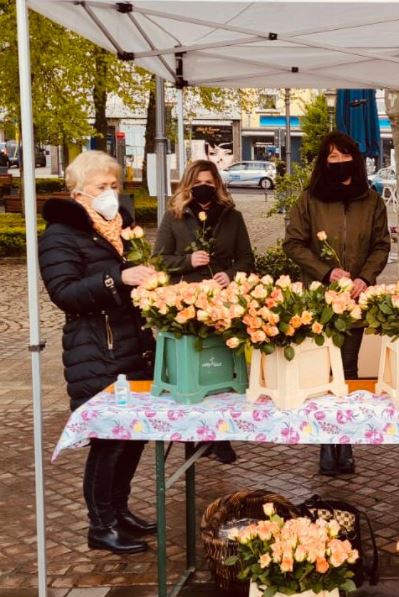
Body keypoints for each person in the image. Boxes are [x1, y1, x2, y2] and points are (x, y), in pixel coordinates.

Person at [38, 150, 158, 554]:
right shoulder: (59, 234)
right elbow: (65, 293)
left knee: (133, 436)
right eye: (100, 187)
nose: (110, 194)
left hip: (135, 347)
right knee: (109, 440)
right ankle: (100, 524)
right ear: (78, 193)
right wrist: (116, 278)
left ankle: (119, 510)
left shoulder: (121, 226)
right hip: (97, 351)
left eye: (114, 186)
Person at [284, 131, 391, 476]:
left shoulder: (372, 201)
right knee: (321, 374)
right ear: (323, 162)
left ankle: (344, 442)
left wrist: (365, 278)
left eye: (345, 156)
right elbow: (294, 244)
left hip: (354, 303)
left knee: (347, 370)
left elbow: (381, 245)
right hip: (320, 302)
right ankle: (324, 444)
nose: (339, 162)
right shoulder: (308, 200)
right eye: (332, 157)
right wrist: (326, 271)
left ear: (355, 160)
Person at [154, 159, 255, 464]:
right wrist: (188, 262)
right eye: (199, 181)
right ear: (188, 183)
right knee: (194, 369)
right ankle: (193, 434)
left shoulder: (232, 217)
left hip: (223, 305)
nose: (204, 187)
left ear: (218, 186)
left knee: (221, 371)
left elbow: (248, 260)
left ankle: (220, 437)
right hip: (188, 306)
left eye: (210, 183)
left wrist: (232, 274)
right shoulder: (174, 217)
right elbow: (159, 260)